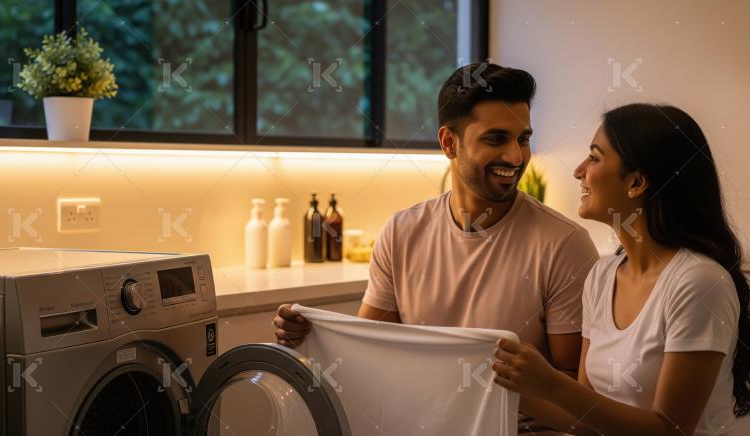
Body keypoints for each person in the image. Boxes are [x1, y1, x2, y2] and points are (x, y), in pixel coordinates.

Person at [275, 63, 599, 431]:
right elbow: (370, 349)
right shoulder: (401, 232)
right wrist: (308, 331)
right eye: (496, 139)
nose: (515, 157)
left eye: (522, 139)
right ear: (449, 143)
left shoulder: (563, 244)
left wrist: (492, 383)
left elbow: (576, 395)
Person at [492, 103, 750, 435]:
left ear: (637, 182)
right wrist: (508, 387)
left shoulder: (699, 282)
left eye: (595, 158)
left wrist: (552, 384)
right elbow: (587, 421)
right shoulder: (602, 277)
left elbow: (669, 430)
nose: (579, 170)